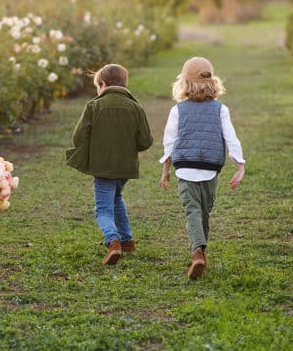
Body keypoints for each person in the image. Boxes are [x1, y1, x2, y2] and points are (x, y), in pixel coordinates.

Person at [158, 56, 245, 280]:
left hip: (185, 167)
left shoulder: (178, 110)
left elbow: (170, 142)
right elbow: (231, 137)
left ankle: (197, 252)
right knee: (204, 210)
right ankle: (200, 251)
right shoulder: (220, 109)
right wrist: (239, 165)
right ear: (212, 83)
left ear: (184, 84)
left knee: (193, 210)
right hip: (210, 167)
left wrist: (166, 170)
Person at [66, 64, 153, 266]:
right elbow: (145, 141)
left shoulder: (93, 106)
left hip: (102, 167)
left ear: (103, 84)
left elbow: (78, 136)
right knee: (116, 198)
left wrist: (91, 149)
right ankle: (127, 240)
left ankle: (112, 241)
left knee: (103, 210)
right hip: (125, 168)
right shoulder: (136, 107)